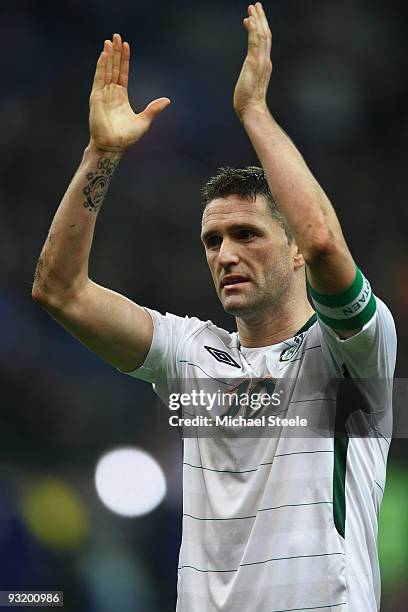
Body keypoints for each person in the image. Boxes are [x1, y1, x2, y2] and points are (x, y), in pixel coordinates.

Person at [32, 3, 396, 611]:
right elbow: (59, 290)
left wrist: (253, 111)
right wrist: (102, 153)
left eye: (247, 234)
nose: (225, 253)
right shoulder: (188, 354)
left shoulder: (354, 352)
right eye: (213, 240)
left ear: (294, 250)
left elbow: (325, 238)